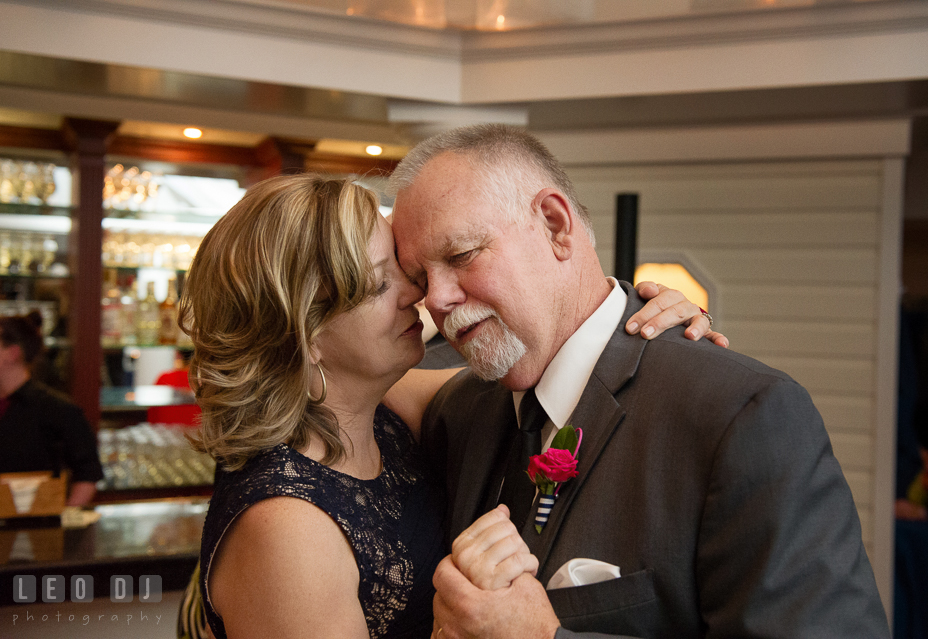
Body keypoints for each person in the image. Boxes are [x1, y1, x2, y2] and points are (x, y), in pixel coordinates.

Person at [388, 124, 890, 638]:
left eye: (461, 255)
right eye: (421, 278)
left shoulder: (741, 415)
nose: (438, 298)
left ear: (556, 225)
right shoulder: (458, 413)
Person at [184, 174, 717, 639]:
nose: (417, 293)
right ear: (303, 335)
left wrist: (646, 331)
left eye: (399, 266)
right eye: (376, 284)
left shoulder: (386, 410)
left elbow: (561, 375)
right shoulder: (286, 530)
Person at [0, 311, 102, 506]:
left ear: (12, 353)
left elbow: (88, 474)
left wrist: (63, 523)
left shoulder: (57, 410)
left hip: (36, 529)